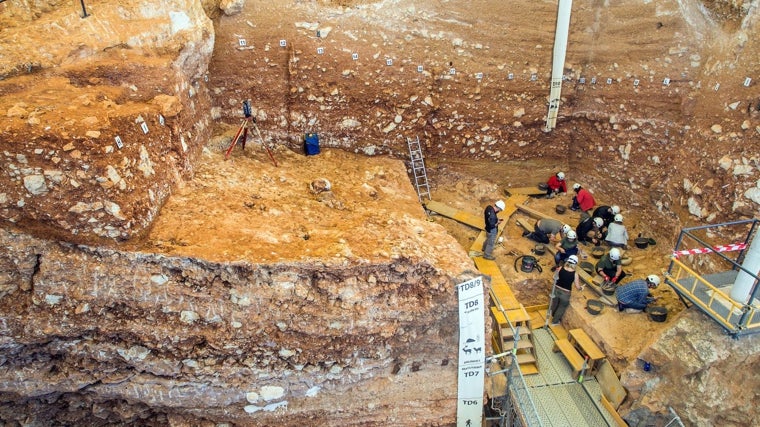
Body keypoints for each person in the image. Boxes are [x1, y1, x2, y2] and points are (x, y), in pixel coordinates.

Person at [550, 255, 583, 324]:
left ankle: (552, 315)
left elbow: (554, 277)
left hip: (556, 290)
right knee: (561, 307)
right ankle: (554, 321)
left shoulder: (560, 268)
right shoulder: (575, 274)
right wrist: (581, 288)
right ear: (575, 264)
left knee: (555, 303)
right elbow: (577, 287)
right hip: (565, 294)